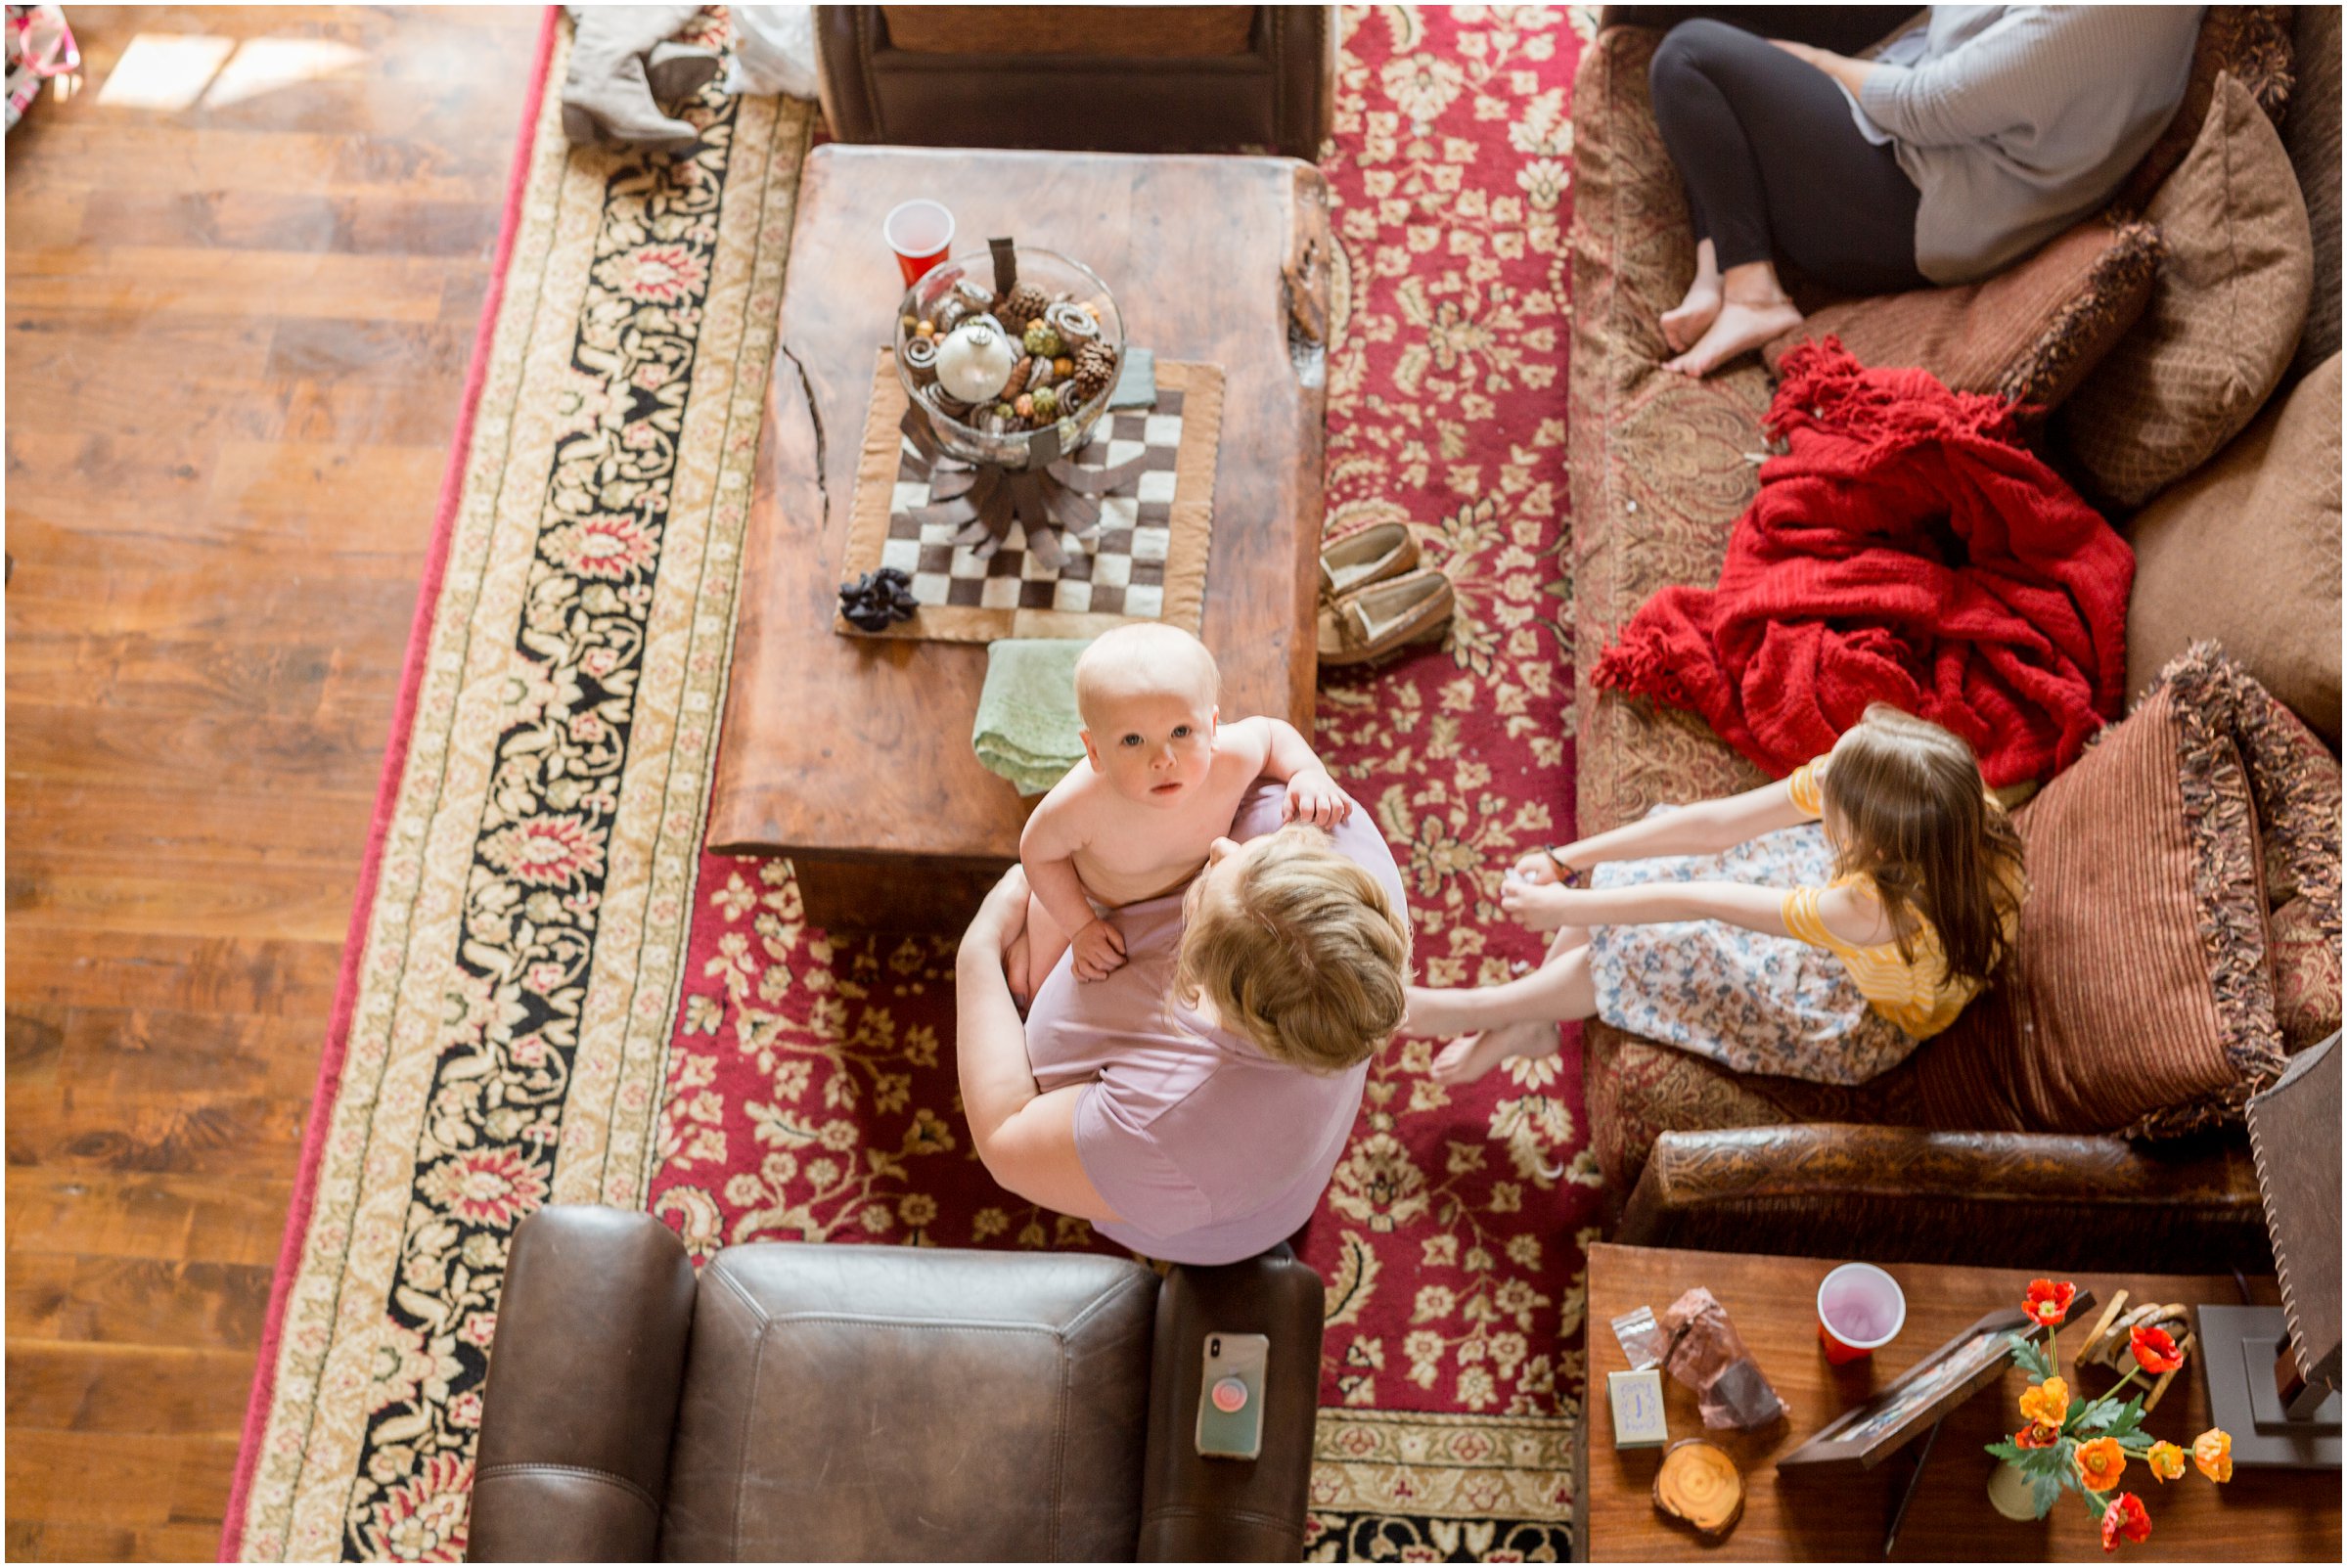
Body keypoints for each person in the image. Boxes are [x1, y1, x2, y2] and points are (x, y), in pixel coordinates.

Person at [1407, 705, 2024, 1089]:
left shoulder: (1866, 908)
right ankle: (1533, 1018)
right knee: (1673, 852)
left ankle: (1480, 1008)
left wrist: (1567, 906)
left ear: (1876, 849)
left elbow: (1700, 904)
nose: (1822, 798)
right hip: (1869, 914)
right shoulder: (1938, 805)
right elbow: (1716, 825)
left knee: (1657, 943)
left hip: (1856, 1009)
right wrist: (1568, 859)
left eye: (1833, 819)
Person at [957, 780, 1408, 1266]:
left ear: (1203, 985)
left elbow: (1005, 1137)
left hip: (1208, 1219)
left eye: (1202, 896)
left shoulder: (1171, 1135)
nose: (1219, 847)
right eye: (1255, 853)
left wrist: (979, 948)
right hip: (1279, 1175)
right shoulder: (1343, 834)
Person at [1647, 7, 2202, 377]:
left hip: (1919, 201)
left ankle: (1754, 294)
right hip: (1928, 111)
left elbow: (1925, 107)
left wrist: (1815, 63)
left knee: (1689, 56)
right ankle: (1715, 270)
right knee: (1711, 24)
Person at [1013, 623, 1349, 999]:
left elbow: (1272, 736)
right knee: (1035, 985)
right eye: (1133, 740)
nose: (1163, 759)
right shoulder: (1080, 804)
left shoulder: (1230, 756)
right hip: (1093, 897)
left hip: (1188, 886)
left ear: (1212, 726)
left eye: (1181, 732)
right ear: (1094, 751)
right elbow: (1037, 851)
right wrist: (1080, 926)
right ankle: (1016, 927)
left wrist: (1307, 772)